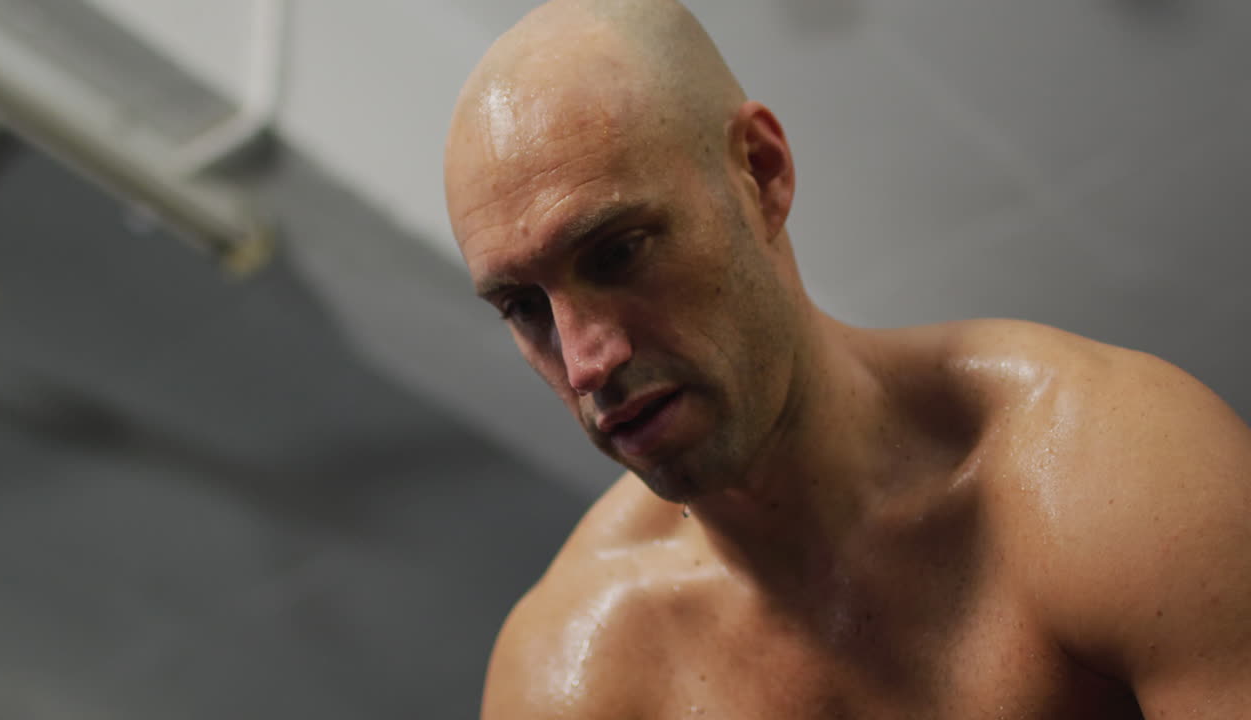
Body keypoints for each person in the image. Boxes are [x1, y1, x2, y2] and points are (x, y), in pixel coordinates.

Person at [442, 1, 1251, 716]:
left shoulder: (1112, 474)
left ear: (761, 172)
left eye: (618, 253)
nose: (585, 363)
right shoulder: (571, 681)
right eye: (524, 307)